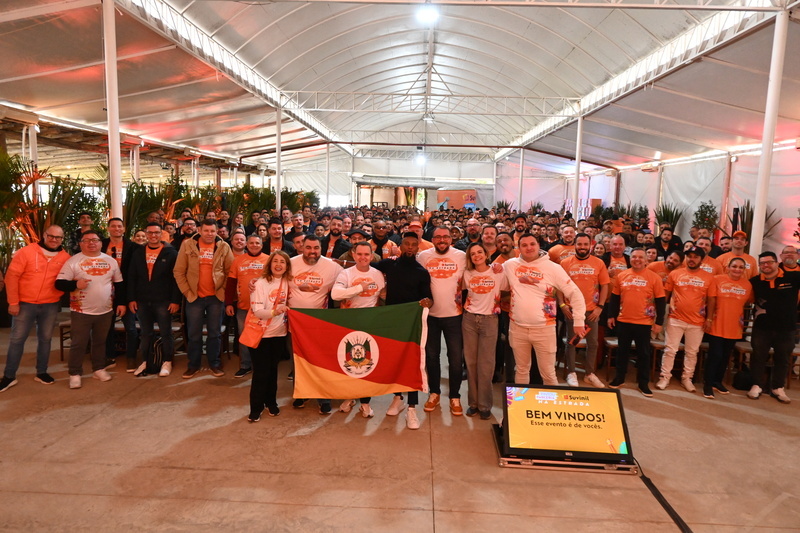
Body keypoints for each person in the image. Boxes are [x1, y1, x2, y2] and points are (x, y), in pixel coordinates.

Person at [503, 233, 586, 385]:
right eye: (524, 245)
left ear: (539, 245)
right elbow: (495, 279)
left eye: (532, 244)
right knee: (521, 370)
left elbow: (575, 294)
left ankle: (551, 406)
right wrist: (494, 268)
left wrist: (579, 321)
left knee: (548, 373)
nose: (529, 248)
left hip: (544, 329)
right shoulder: (510, 265)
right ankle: (521, 405)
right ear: (518, 248)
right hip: (517, 328)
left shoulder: (553, 268)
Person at [0, 227, 70, 392]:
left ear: (62, 239)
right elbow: (12, 276)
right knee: (17, 340)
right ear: (44, 235)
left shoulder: (65, 257)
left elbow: (67, 278)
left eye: (58, 237)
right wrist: (13, 302)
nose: (54, 240)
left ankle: (42, 372)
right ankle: (9, 376)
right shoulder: (27, 252)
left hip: (50, 304)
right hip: (25, 304)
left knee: (45, 339)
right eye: (51, 236)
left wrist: (57, 294)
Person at [374, 232, 433, 429]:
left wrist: (427, 302)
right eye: (406, 244)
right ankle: (398, 398)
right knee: (394, 361)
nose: (409, 247)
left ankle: (412, 409)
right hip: (392, 321)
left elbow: (429, 299)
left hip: (412, 323)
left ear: (418, 248)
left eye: (413, 245)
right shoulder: (389, 265)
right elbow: (365, 267)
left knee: (412, 363)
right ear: (399, 246)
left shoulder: (421, 271)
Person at [56, 230, 126, 389]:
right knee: (78, 343)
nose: (91, 243)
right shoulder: (73, 261)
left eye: (95, 240)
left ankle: (99, 369)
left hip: (105, 311)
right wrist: (75, 285)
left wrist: (121, 303)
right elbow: (59, 283)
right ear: (81, 243)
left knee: (100, 342)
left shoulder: (111, 261)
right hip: (81, 311)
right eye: (86, 240)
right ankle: (74, 373)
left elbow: (119, 284)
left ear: (101, 243)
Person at [289, 234, 344, 414]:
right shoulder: (290, 263)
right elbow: (271, 279)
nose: (312, 252)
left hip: (319, 321)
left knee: (320, 360)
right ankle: (302, 393)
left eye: (316, 248)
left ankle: (323, 397)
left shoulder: (331, 266)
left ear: (322, 248)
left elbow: (348, 277)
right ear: (301, 248)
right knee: (298, 361)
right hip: (294, 321)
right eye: (308, 248)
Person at [173, 219, 234, 378]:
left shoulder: (224, 247)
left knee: (214, 333)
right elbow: (178, 271)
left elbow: (230, 272)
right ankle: (193, 364)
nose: (209, 234)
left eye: (212, 231)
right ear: (199, 230)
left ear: (217, 231)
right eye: (206, 231)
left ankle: (214, 363)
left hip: (215, 297)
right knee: (194, 334)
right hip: (194, 297)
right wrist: (187, 292)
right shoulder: (188, 245)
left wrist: (222, 291)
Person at [331, 241, 387, 418]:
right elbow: (335, 294)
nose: (363, 258)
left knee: (366, 364)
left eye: (366, 254)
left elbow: (384, 295)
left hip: (370, 324)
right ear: (353, 255)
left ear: (372, 256)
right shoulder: (345, 273)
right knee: (348, 362)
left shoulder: (378, 274)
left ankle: (365, 402)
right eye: (359, 254)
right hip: (348, 322)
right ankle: (349, 396)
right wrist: (358, 288)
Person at [417, 227, 467, 415]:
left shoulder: (461, 256)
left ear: (451, 238)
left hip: (455, 315)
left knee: (455, 359)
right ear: (433, 239)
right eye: (438, 237)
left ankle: (455, 396)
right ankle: (434, 393)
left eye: (445, 236)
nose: (442, 240)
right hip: (430, 316)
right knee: (431, 358)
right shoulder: (423, 256)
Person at [656, 246, 717, 392]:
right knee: (670, 350)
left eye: (696, 256)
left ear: (701, 260)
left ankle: (687, 378)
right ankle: (664, 377)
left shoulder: (709, 278)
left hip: (697, 321)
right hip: (675, 318)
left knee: (692, 352)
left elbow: (712, 300)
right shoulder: (675, 274)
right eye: (689, 256)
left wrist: (709, 320)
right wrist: (658, 317)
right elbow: (666, 295)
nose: (692, 259)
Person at [607, 248, 666, 396]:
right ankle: (619, 378)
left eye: (640, 257)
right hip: (624, 320)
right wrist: (611, 316)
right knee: (622, 352)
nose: (637, 260)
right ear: (630, 259)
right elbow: (614, 298)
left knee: (644, 354)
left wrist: (659, 322)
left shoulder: (654, 278)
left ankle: (643, 383)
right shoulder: (622, 275)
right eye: (634, 257)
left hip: (644, 322)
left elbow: (660, 302)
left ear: (646, 260)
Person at [127, 222, 181, 377]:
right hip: (142, 300)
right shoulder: (138, 252)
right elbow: (132, 276)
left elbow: (176, 279)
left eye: (156, 232)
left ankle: (167, 361)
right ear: (146, 234)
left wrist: (175, 301)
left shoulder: (171, 253)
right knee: (145, 333)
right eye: (150, 233)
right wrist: (131, 298)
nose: (153, 236)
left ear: (161, 234)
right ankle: (146, 361)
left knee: (166, 332)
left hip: (163, 300)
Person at [747, 251, 800, 403]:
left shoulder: (794, 277)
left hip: (787, 328)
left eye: (769, 262)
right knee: (758, 357)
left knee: (782, 359)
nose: (766, 265)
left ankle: (778, 387)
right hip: (762, 328)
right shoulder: (755, 281)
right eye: (762, 263)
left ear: (777, 262)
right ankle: (756, 385)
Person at [461, 242, 507, 419]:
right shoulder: (467, 274)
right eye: (473, 254)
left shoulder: (498, 272)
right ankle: (473, 403)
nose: (477, 256)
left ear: (486, 254)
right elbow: (460, 292)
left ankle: (485, 404)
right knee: (471, 363)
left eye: (480, 252)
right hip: (469, 319)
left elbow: (508, 290)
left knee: (486, 364)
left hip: (489, 320)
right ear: (470, 258)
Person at [559, 233, 610, 388]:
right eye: (579, 244)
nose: (582, 247)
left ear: (590, 245)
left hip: (592, 311)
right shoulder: (565, 263)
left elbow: (605, 285)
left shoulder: (599, 263)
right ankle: (571, 373)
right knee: (572, 342)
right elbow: (559, 286)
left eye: (585, 244)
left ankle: (589, 373)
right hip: (572, 310)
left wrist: (600, 307)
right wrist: (562, 305)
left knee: (593, 343)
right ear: (575, 244)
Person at [247, 251, 292, 422]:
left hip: (279, 333)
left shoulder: (287, 282)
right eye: (275, 261)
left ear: (287, 266)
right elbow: (258, 311)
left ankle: (271, 403)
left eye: (282, 262)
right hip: (261, 334)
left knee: (273, 371)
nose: (279, 264)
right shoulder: (259, 283)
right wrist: (276, 311)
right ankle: (256, 407)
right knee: (260, 372)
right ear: (270, 264)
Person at [702, 257, 753, 399]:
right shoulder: (717, 279)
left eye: (741, 267)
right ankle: (708, 383)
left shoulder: (747, 285)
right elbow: (711, 300)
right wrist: (709, 319)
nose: (737, 269)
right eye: (734, 266)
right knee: (715, 355)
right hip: (717, 323)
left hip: (734, 326)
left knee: (725, 356)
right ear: (728, 267)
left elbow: (747, 302)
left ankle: (717, 382)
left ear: (744, 270)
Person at [226, 235, 269, 378]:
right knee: (244, 337)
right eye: (251, 243)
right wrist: (228, 304)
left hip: (264, 308)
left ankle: (261, 365)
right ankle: (245, 365)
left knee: (264, 338)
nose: (254, 245)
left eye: (257, 243)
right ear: (246, 244)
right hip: (243, 307)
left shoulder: (269, 260)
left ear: (262, 245)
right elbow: (231, 283)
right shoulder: (238, 260)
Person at [102, 217, 140, 371]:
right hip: (104, 291)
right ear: (108, 228)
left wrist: (132, 297)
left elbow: (136, 273)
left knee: (130, 327)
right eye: (113, 226)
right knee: (106, 326)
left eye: (119, 226)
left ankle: (131, 357)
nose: (116, 229)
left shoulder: (134, 247)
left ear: (124, 229)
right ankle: (109, 356)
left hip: (127, 290)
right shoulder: (101, 245)